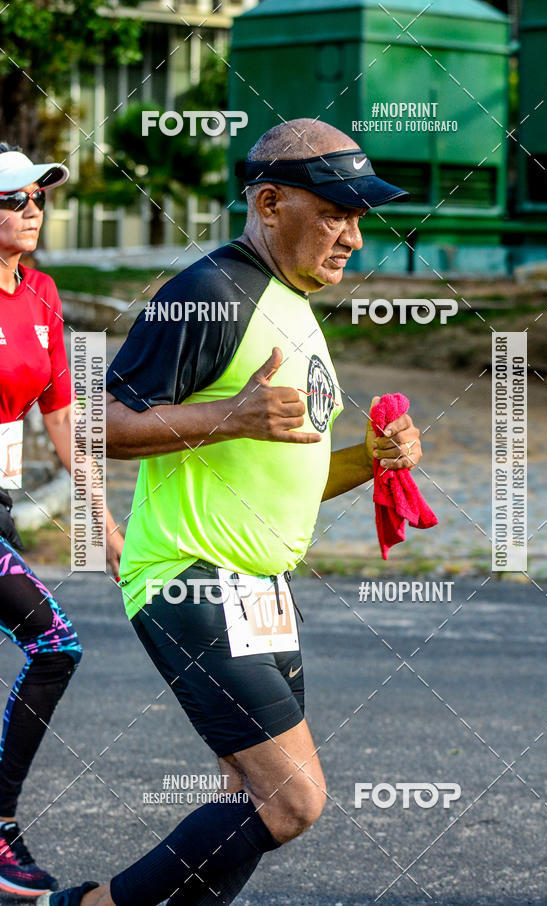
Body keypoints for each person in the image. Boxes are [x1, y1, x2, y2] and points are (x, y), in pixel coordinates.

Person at [44, 118, 422, 906]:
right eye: (335, 213)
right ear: (271, 201)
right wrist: (233, 418)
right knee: (293, 800)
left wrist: (368, 460)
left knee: (243, 800)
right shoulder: (211, 294)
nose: (353, 235)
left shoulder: (292, 301)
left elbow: (282, 471)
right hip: (190, 577)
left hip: (261, 588)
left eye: (359, 217)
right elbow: (95, 425)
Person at [0, 145, 123, 897]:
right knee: (55, 644)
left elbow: (66, 426)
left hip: (3, 504)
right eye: (15, 199)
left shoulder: (41, 295)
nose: (33, 210)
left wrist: (105, 527)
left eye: (38, 198)